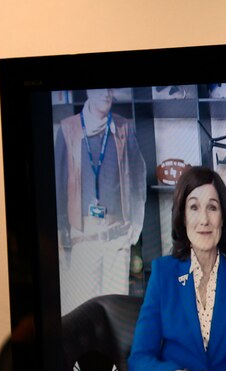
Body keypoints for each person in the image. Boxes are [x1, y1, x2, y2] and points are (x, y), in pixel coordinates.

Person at [128, 166, 226, 371]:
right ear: (183, 216)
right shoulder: (163, 275)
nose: (204, 220)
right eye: (194, 207)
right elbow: (139, 360)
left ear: (223, 217)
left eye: (212, 208)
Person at [56, 88, 146, 315]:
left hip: (118, 239)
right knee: (85, 313)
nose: (106, 94)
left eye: (109, 89)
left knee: (117, 314)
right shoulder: (69, 128)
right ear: (87, 90)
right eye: (100, 89)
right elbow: (58, 184)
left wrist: (135, 227)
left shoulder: (124, 126)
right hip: (83, 239)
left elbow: (137, 178)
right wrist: (62, 234)